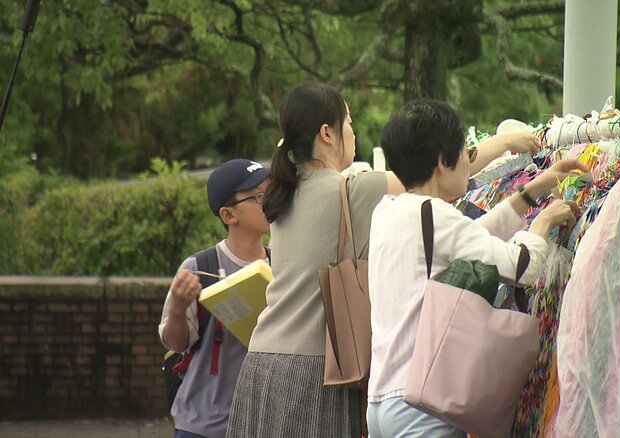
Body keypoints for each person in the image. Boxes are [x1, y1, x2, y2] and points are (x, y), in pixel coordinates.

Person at [225, 82, 540, 437]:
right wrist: (506, 143)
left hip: (262, 362)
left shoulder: (286, 192)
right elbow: (431, 172)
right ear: (326, 133)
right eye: (348, 122)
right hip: (315, 372)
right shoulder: (352, 190)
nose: (353, 132)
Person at [366, 99, 587, 437]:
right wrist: (540, 225)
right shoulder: (435, 215)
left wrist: (530, 193)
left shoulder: (389, 210)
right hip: (422, 406)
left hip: (382, 403)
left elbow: (472, 237)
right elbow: (521, 268)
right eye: (464, 156)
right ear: (442, 162)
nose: (468, 168)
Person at [158, 158, 272, 438]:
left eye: (272, 191)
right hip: (202, 424)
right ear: (228, 215)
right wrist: (178, 307)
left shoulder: (282, 265)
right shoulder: (199, 267)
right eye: (259, 196)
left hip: (261, 423)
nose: (270, 201)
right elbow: (175, 342)